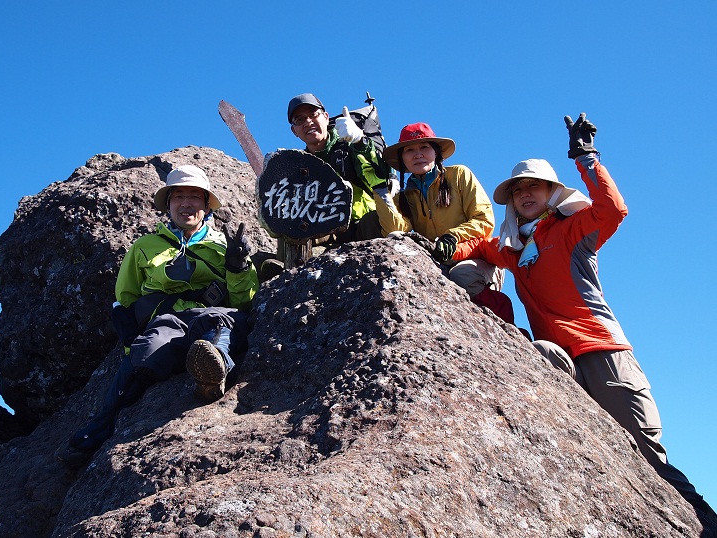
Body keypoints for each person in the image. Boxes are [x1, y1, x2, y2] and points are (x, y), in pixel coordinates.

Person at [453, 114, 716, 519]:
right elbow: (478, 249)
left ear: (551, 192)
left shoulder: (573, 228)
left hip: (603, 352)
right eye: (517, 189)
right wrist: (435, 251)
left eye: (534, 186)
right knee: (539, 355)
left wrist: (587, 158)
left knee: (650, 459)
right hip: (560, 360)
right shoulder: (514, 249)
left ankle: (702, 521)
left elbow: (613, 210)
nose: (525, 194)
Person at [57, 164, 258, 469]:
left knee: (218, 325)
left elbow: (245, 301)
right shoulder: (144, 246)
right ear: (168, 204)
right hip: (168, 324)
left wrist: (239, 266)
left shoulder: (224, 245)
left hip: (213, 315)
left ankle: (212, 371)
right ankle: (98, 430)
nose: (186, 203)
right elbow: (126, 300)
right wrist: (131, 345)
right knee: (147, 350)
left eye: (194, 197)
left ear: (206, 205)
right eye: (178, 196)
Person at [376, 122, 506, 317]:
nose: (417, 154)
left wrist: (452, 236)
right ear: (402, 160)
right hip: (437, 262)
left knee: (460, 275)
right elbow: (395, 232)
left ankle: (503, 328)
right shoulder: (404, 195)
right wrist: (381, 194)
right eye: (409, 150)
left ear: (436, 152)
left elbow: (484, 220)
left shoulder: (459, 175)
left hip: (475, 258)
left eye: (424, 147)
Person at [287, 93, 390, 243]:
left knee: (377, 219)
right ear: (294, 131)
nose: (308, 122)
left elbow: (379, 176)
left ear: (326, 117)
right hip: (328, 230)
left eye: (313, 114)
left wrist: (359, 141)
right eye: (299, 119)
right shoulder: (301, 167)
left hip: (364, 222)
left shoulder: (349, 144)